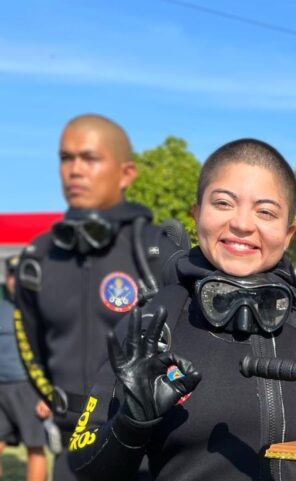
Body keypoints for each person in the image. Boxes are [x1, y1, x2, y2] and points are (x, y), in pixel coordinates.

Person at [67, 138, 296, 481]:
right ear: (197, 214)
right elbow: (82, 465)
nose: (242, 224)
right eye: (223, 203)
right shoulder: (153, 322)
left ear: (288, 232)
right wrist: (130, 424)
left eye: (266, 211)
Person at [14, 114, 188, 480]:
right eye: (66, 158)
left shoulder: (157, 249)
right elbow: (28, 343)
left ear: (126, 173)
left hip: (138, 451)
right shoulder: (40, 256)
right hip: (67, 452)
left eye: (90, 158)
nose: (75, 170)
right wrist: (51, 397)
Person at [0, 255, 48, 481]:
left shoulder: (40, 307)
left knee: (34, 446)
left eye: (17, 274)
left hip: (29, 387)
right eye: (10, 274)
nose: (13, 280)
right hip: (1, 387)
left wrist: (46, 394)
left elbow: (52, 352)